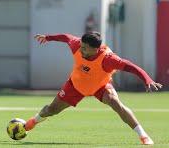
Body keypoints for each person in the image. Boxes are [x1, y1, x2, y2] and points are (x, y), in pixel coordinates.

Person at [25, 32, 162, 145]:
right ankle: (32, 122)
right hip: (75, 86)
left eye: (85, 48)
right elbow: (66, 37)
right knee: (51, 110)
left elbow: (130, 66)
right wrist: (48, 38)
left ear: (96, 49)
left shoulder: (108, 59)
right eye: (81, 46)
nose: (81, 49)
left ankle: (143, 136)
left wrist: (147, 79)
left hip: (100, 86)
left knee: (116, 103)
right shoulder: (77, 45)